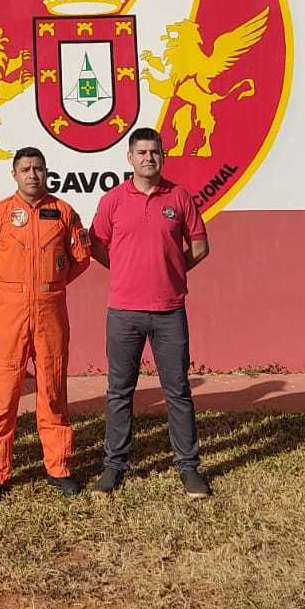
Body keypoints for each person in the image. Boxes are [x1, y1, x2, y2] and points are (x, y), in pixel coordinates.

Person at [89, 125, 212, 498]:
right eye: (141, 152)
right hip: (123, 311)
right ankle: (114, 467)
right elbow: (97, 246)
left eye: (154, 152)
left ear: (163, 156)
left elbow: (200, 247)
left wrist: (172, 272)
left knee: (178, 391)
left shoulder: (180, 197)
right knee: (119, 392)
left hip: (169, 311)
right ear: (130, 158)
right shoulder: (113, 200)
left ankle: (189, 468)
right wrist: (125, 270)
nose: (148, 158)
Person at [0, 147, 91, 501]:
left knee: (52, 390)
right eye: (25, 169)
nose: (32, 175)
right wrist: (14, 288)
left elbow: (81, 258)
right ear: (14, 174)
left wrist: (49, 285)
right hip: (11, 313)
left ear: (47, 172)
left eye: (38, 168)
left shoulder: (64, 212)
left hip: (51, 311)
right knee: (3, 392)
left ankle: (58, 466)